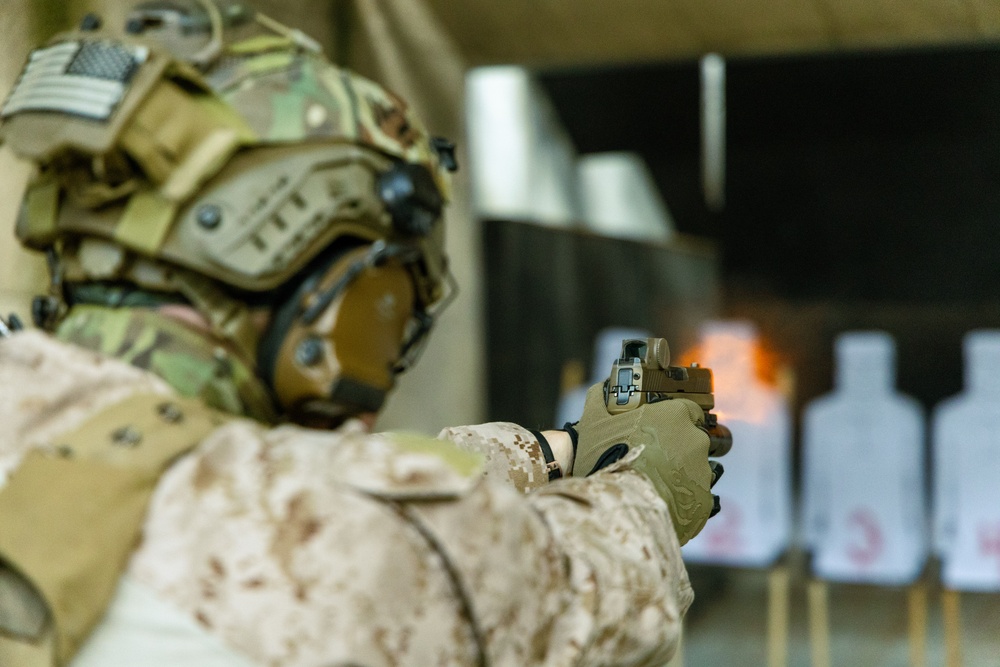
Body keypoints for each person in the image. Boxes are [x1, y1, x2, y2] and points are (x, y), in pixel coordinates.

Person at [0, 2, 723, 665]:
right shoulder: (328, 546)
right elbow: (584, 597)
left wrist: (555, 449)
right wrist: (646, 483)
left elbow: (268, 475)